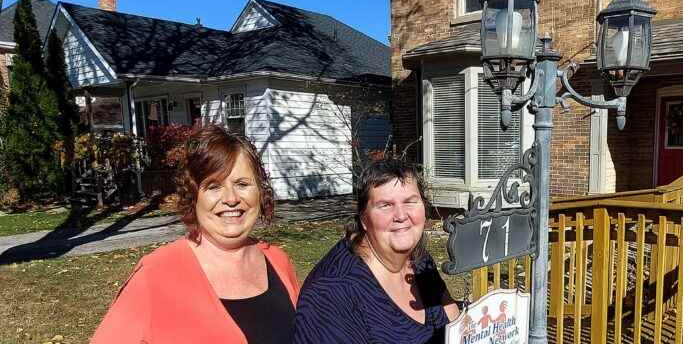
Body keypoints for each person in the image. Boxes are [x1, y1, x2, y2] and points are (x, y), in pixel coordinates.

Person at [90, 125, 300, 344]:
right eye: (213, 186)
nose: (231, 198)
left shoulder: (278, 261)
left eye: (242, 184)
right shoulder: (155, 275)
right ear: (194, 195)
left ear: (260, 190)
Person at [293, 158, 460, 343]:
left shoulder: (419, 260)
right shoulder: (330, 293)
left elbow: (456, 324)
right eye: (386, 205)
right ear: (364, 219)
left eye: (410, 202)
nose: (401, 215)